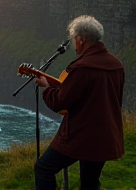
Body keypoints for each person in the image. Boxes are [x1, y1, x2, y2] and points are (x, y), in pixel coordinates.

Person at [34, 15, 125, 190]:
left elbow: (60, 102)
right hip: (106, 134)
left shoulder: (82, 67)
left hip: (81, 135)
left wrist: (45, 88)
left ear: (81, 39)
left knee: (43, 168)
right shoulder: (117, 65)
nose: (73, 44)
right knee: (90, 182)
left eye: (74, 39)